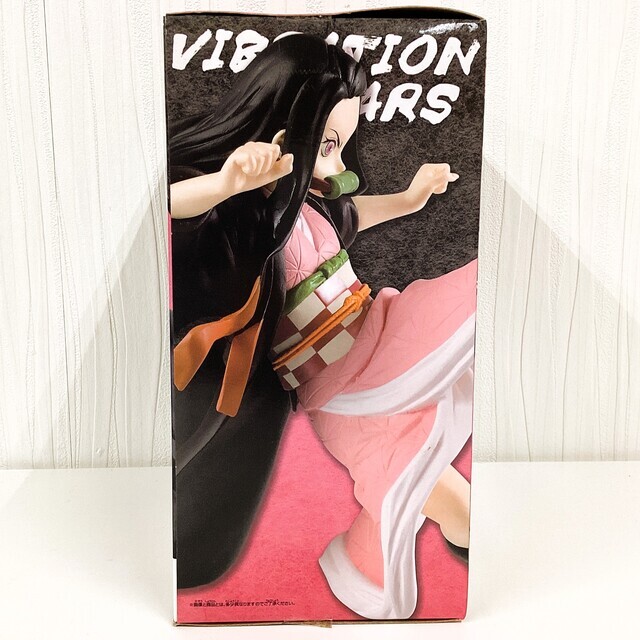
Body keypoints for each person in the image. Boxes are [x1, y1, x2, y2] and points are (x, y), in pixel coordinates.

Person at [169, 33, 476, 619]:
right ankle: (376, 559)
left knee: (440, 497)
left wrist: (410, 199)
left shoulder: (309, 203)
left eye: (342, 145)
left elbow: (353, 213)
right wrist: (225, 184)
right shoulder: (242, 216)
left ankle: (377, 558)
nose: (335, 164)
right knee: (430, 486)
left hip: (374, 339)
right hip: (344, 387)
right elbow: (171, 203)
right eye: (327, 144)